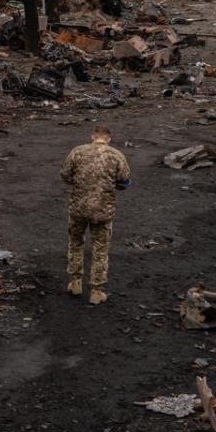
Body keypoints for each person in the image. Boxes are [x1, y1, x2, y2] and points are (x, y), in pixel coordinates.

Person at [60, 125, 132, 305]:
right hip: (103, 210)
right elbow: (124, 180)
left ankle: (75, 283)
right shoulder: (116, 155)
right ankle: (96, 291)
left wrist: (79, 183)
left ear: (93, 136)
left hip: (78, 208)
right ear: (109, 138)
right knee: (100, 249)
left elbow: (65, 175)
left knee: (75, 243)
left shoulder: (77, 152)